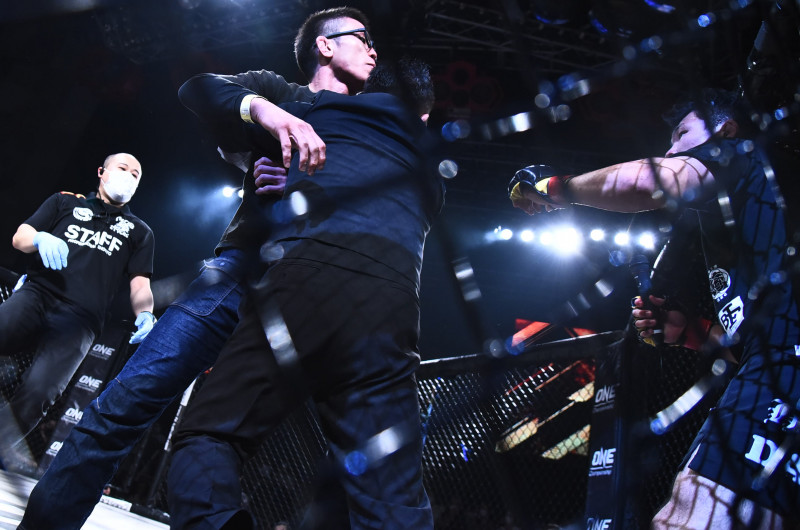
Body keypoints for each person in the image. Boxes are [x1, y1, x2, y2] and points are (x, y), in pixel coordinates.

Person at [18, 7, 377, 530]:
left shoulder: (374, 123)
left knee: (243, 438)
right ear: (324, 45)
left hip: (314, 290)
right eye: (361, 37)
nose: (373, 49)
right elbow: (199, 89)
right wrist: (268, 118)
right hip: (239, 271)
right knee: (123, 404)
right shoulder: (280, 92)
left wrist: (310, 184)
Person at [165, 58, 440, 529]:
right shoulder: (430, 163)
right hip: (392, 306)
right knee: (392, 496)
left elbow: (200, 92)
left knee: (208, 435)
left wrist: (268, 143)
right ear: (425, 117)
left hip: (307, 278)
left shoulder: (319, 109)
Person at [509, 88, 800, 528]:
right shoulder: (745, 226)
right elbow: (751, 343)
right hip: (775, 367)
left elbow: (654, 181)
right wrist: (688, 331)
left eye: (682, 134)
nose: (670, 150)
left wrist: (555, 188)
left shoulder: (737, 153)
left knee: (691, 513)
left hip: (783, 374)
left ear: (725, 130)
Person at [0, 152, 155, 470]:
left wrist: (146, 313)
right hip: (38, 295)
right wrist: (40, 238)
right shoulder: (64, 202)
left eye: (135, 174)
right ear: (102, 172)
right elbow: (20, 238)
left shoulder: (140, 232)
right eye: (122, 168)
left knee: (40, 391)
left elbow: (140, 284)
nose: (128, 176)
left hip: (81, 320)